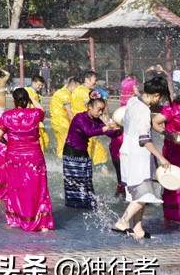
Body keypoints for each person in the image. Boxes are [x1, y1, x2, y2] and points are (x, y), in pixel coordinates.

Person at [113, 76, 171, 239]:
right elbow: (144, 139)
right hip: (139, 156)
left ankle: (138, 229)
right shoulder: (144, 110)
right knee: (145, 194)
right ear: (157, 95)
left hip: (127, 152)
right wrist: (161, 158)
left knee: (137, 193)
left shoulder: (133, 102)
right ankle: (123, 221)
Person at [0, 88, 54, 232]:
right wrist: (31, 99)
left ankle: (16, 219)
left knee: (16, 188)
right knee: (38, 187)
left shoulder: (7, 116)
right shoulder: (34, 114)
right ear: (27, 100)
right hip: (34, 156)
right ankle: (42, 222)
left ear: (14, 100)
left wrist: (7, 143)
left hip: (14, 156)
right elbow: (42, 109)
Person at [62, 94, 121, 210]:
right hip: (71, 152)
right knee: (74, 180)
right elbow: (88, 132)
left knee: (86, 178)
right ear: (89, 106)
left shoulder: (96, 120)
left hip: (83, 151)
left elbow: (109, 133)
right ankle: (74, 205)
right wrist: (105, 128)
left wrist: (117, 129)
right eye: (99, 110)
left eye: (102, 110)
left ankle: (87, 203)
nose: (100, 113)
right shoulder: (79, 117)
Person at [71, 72, 109, 169]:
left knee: (97, 154)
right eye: (94, 80)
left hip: (82, 127)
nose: (96, 83)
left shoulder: (81, 91)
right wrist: (107, 122)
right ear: (87, 80)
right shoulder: (83, 92)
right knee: (97, 155)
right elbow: (96, 110)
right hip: (84, 128)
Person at [155, 94, 180, 223]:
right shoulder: (172, 108)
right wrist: (168, 135)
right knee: (172, 182)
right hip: (173, 150)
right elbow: (154, 122)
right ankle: (169, 218)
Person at [49, 76, 78, 157]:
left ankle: (59, 162)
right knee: (65, 144)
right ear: (73, 86)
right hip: (62, 123)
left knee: (61, 142)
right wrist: (75, 124)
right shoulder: (66, 95)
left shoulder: (59, 92)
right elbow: (69, 112)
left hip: (54, 122)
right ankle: (62, 163)